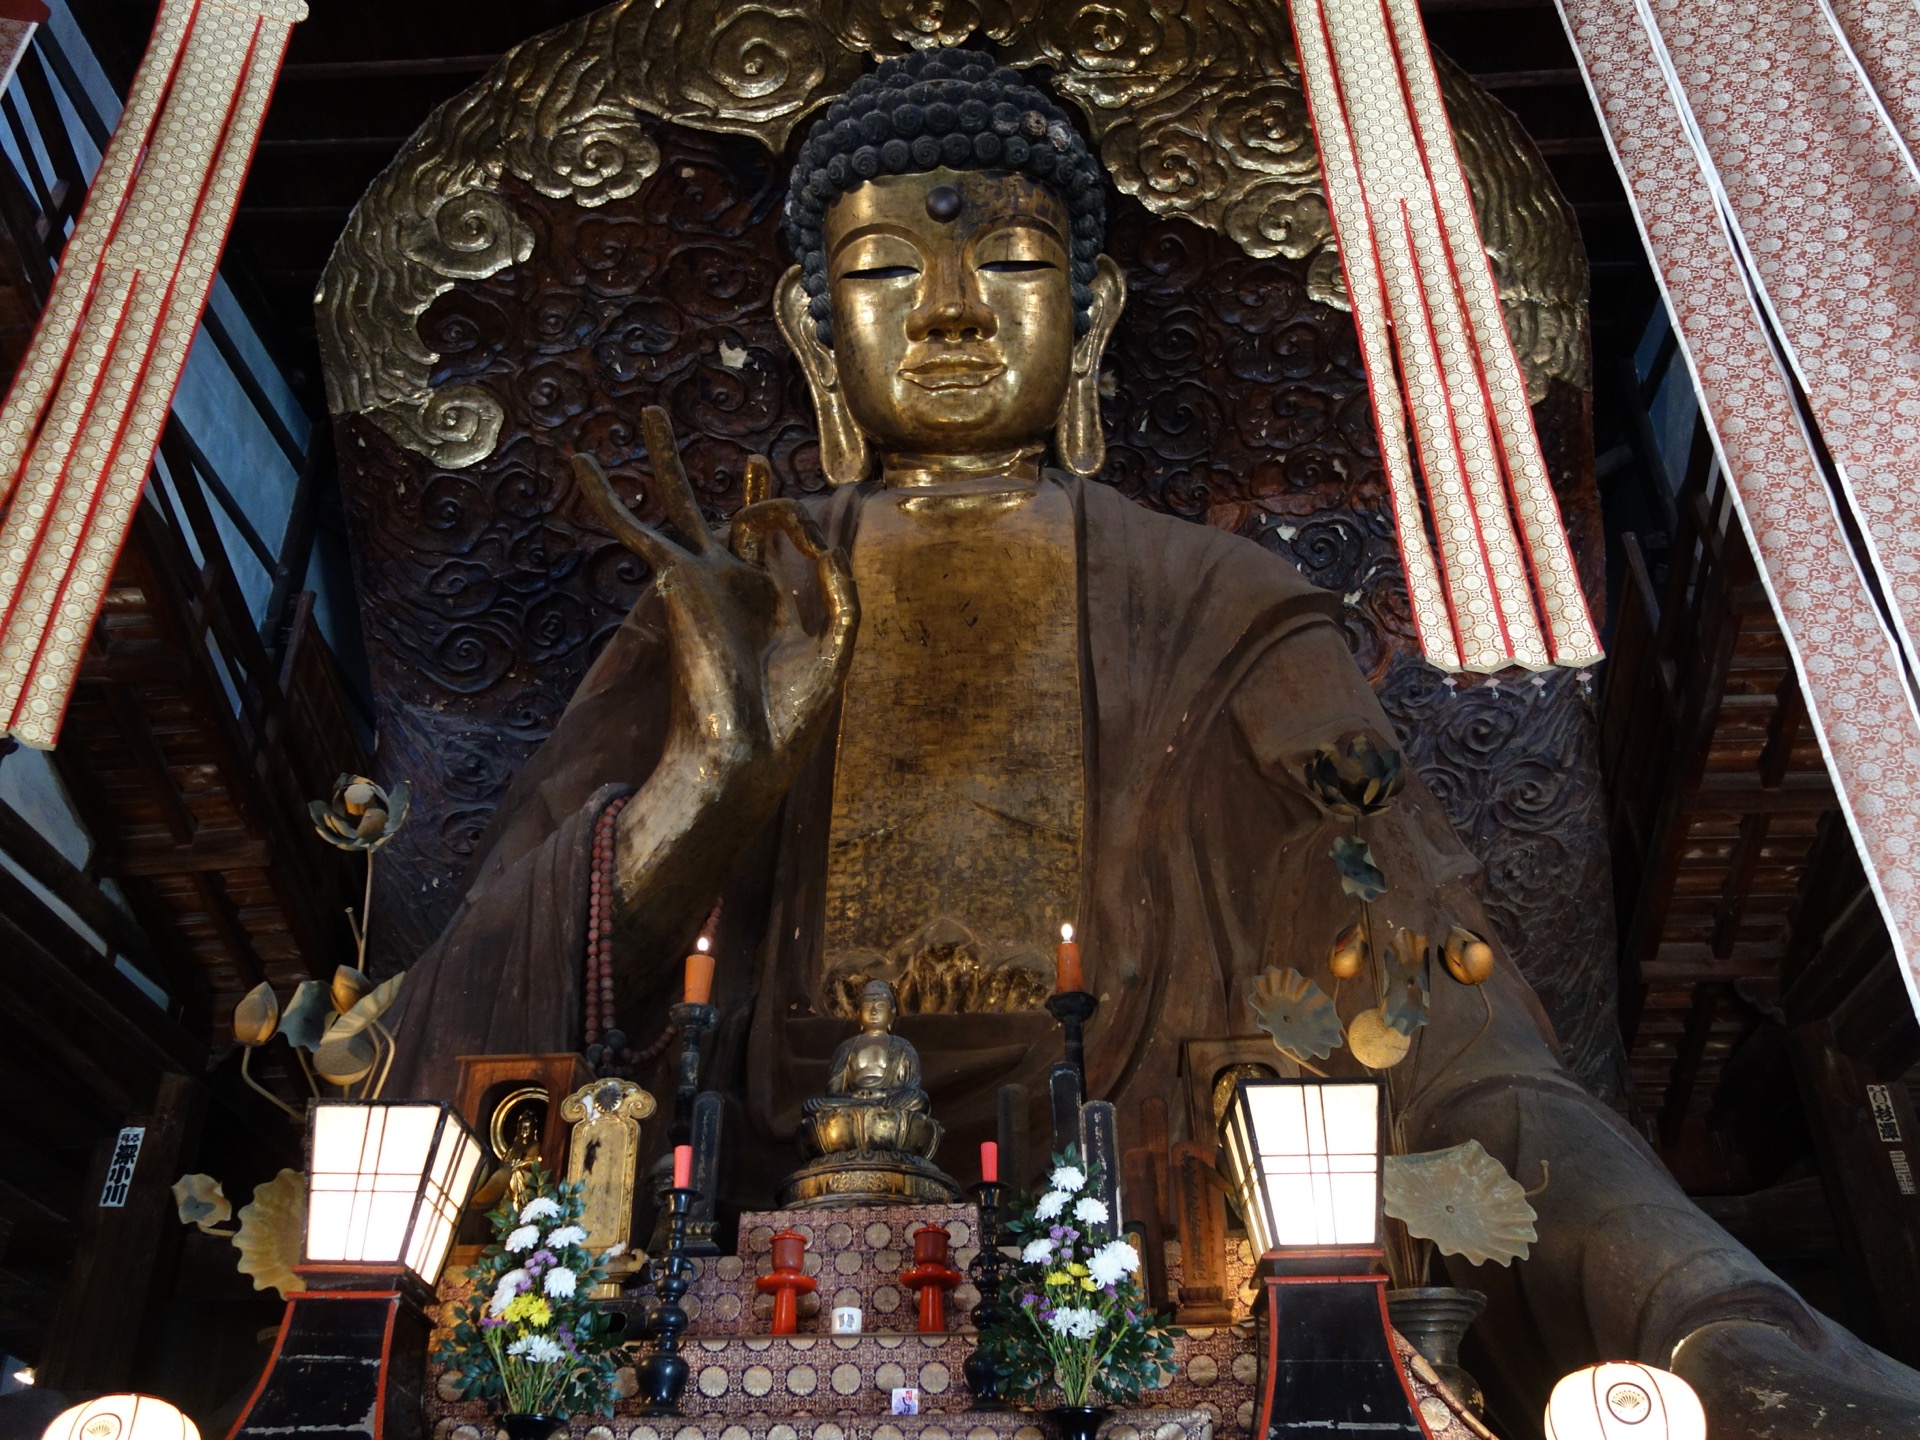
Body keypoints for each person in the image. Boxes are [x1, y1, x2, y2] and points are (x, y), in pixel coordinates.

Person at [387, 48, 1920, 1433]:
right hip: (746, 1265)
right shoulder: (721, 610)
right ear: (809, 323)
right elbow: (447, 1054)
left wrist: (1699, 1305)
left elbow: (1444, 1029)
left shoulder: (1221, 605)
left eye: (1011, 258)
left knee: (1473, 1084)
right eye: (881, 271)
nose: (951, 309)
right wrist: (706, 791)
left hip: (1174, 1252)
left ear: (1096, 310)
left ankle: (1733, 1318)